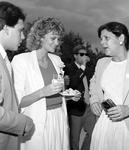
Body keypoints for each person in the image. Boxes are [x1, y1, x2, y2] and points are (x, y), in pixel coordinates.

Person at [11, 16, 80, 150]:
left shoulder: (56, 60)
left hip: (59, 118)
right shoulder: (21, 61)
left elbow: (57, 92)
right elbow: (17, 102)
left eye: (58, 39)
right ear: (40, 37)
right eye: (53, 38)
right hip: (37, 121)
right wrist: (43, 92)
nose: (57, 43)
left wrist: (69, 96)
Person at [89, 21, 129, 150]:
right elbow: (93, 83)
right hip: (105, 126)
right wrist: (94, 100)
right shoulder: (101, 63)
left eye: (106, 38)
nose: (102, 42)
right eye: (101, 38)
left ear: (121, 38)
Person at [0, 1, 34, 150]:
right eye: (20, 30)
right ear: (6, 28)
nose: (23, 36)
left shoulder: (4, 59)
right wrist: (23, 122)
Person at [64, 45, 96, 150]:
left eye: (86, 54)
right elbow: (73, 83)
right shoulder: (68, 68)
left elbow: (92, 85)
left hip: (89, 107)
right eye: (81, 54)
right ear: (75, 56)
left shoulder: (88, 70)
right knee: (74, 139)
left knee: (94, 134)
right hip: (76, 108)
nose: (84, 56)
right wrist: (82, 67)